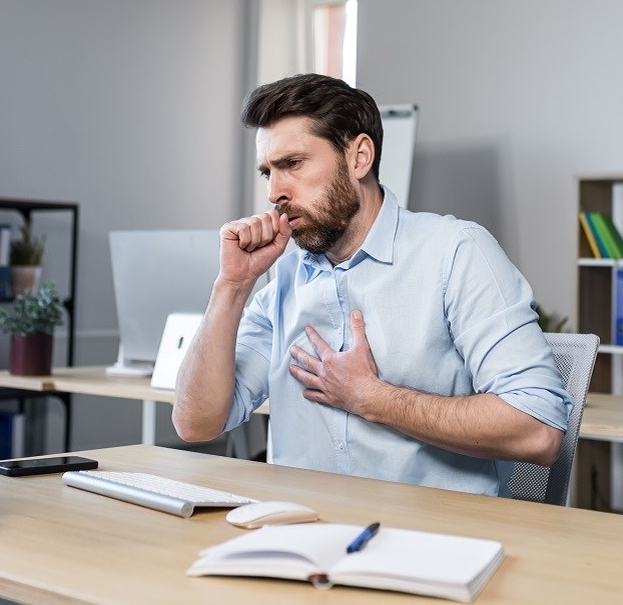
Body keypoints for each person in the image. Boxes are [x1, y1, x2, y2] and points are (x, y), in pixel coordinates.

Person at [172, 73, 570, 496]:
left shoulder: (454, 253)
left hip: (433, 543)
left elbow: (538, 431)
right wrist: (232, 286)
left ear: (359, 157)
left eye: (293, 164)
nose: (274, 192)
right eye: (267, 172)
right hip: (302, 535)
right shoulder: (282, 280)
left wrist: (370, 397)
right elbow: (196, 424)